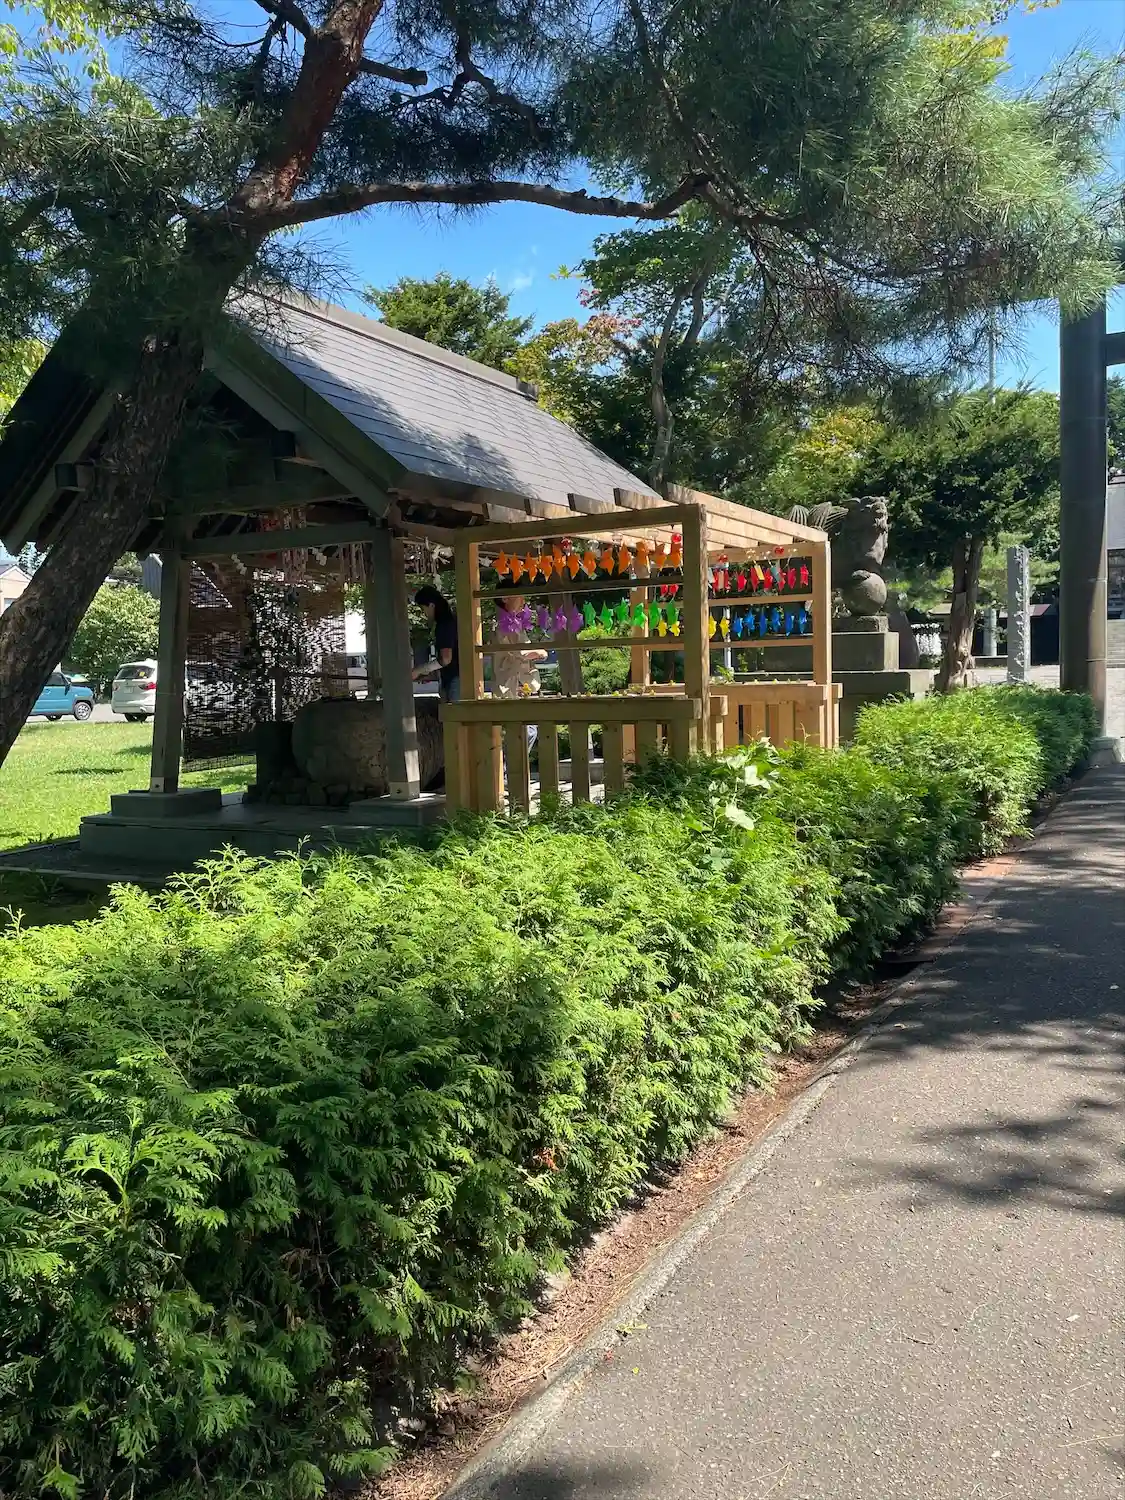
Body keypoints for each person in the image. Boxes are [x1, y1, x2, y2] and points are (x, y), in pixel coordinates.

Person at [492, 594, 548, 752]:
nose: (523, 601)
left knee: (526, 732)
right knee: (524, 733)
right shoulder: (506, 624)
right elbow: (521, 653)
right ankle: (509, 766)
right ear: (505, 598)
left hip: (518, 685)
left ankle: (512, 765)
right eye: (519, 597)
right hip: (512, 687)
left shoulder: (513, 622)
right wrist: (540, 652)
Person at [412, 584, 460, 702]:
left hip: (455, 681)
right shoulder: (452, 620)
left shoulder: (444, 624)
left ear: (432, 605)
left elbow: (446, 659)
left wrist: (420, 670)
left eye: (424, 608)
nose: (424, 613)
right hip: (455, 678)